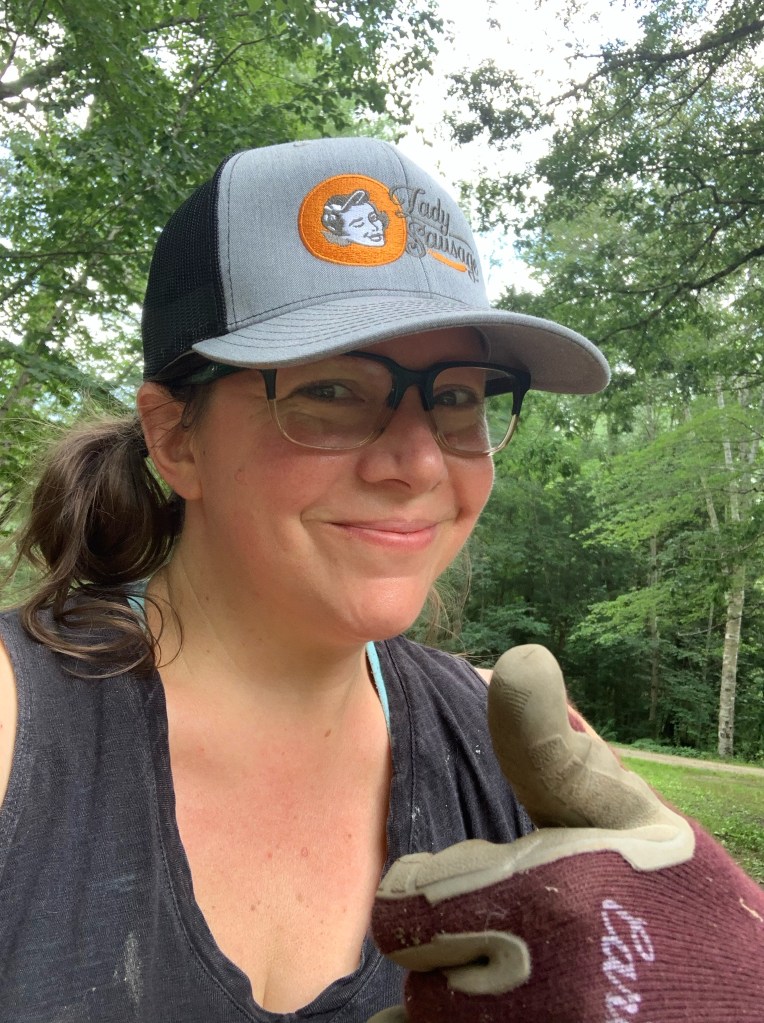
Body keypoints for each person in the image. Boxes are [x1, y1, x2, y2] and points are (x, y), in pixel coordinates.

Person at [0, 134, 629, 1021]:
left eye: (457, 397)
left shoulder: (517, 748)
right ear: (176, 438)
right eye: (334, 390)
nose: (420, 463)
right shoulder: (20, 731)